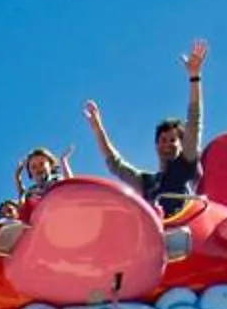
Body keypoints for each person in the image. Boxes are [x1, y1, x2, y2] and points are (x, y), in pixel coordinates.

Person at [85, 39, 209, 216]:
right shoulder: (147, 182)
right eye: (163, 140)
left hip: (187, 233)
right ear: (156, 145)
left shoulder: (186, 163)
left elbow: (194, 121)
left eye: (173, 140)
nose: (167, 144)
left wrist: (194, 77)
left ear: (182, 144)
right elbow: (116, 164)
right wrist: (97, 128)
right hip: (159, 237)